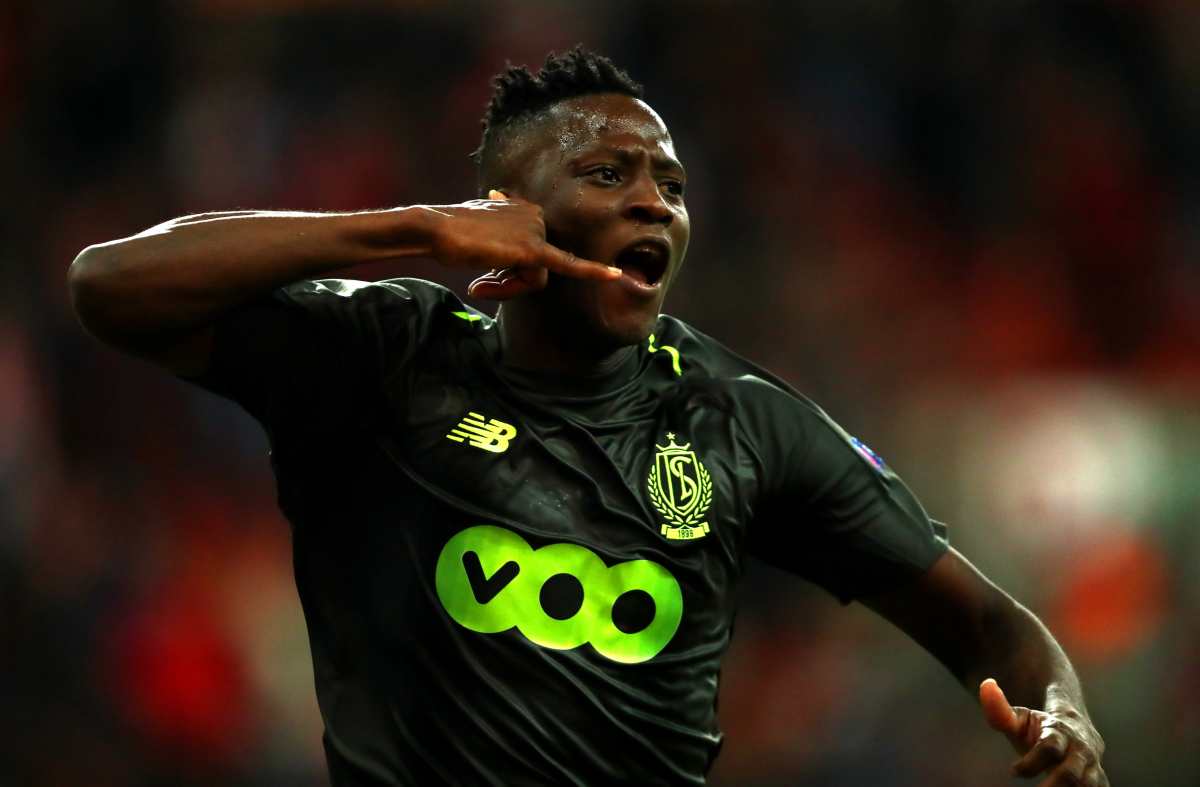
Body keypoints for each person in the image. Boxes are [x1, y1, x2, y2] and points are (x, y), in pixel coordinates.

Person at [68, 47, 1107, 787]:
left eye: (672, 184)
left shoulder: (737, 419)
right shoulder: (386, 357)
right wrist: (412, 229)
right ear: (505, 213)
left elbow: (988, 623)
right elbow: (110, 285)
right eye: (609, 174)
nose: (656, 202)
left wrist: (1064, 712)